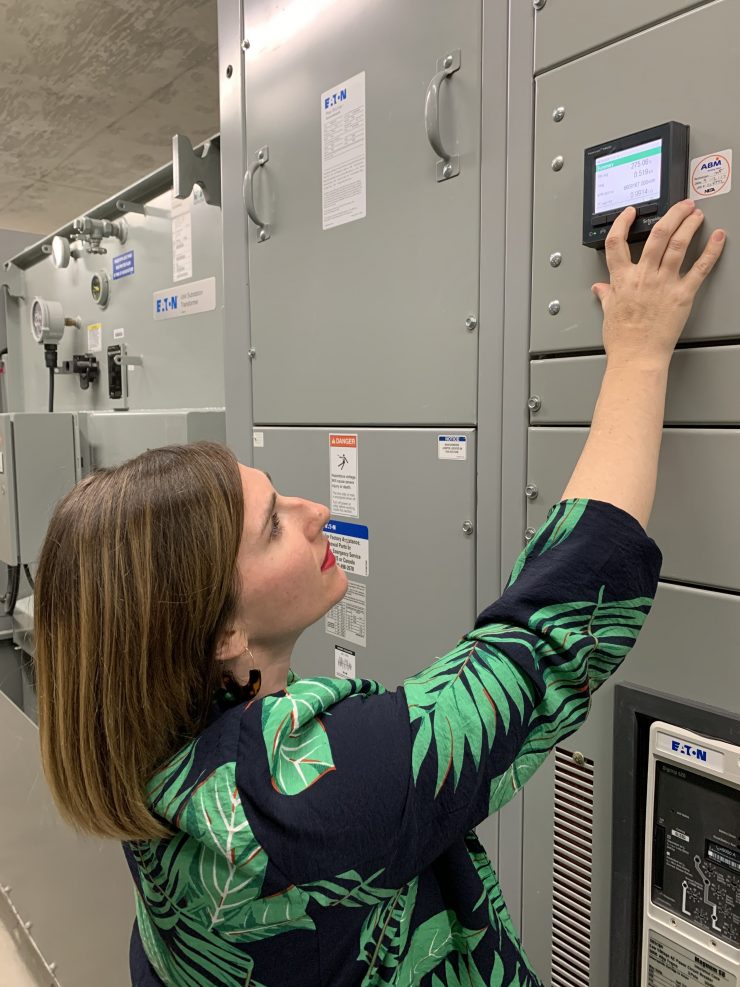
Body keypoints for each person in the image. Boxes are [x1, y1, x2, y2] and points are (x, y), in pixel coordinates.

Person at [34, 200, 725, 987]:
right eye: (272, 527)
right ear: (221, 632)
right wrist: (638, 356)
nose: (315, 512)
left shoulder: (155, 762)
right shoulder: (301, 794)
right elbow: (547, 641)